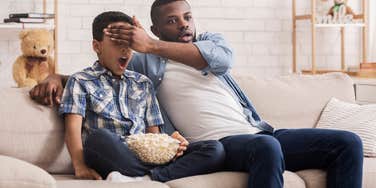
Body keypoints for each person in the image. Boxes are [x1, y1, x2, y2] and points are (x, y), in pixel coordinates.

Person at [31, 0, 363, 187]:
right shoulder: (147, 61)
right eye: (173, 21)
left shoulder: (211, 43)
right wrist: (57, 76)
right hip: (223, 144)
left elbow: (222, 60)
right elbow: (104, 71)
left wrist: (153, 43)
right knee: (264, 147)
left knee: (347, 143)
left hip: (261, 131)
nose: (185, 25)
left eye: (187, 17)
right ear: (157, 29)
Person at [58, 11, 224, 182]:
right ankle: (158, 174)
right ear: (97, 46)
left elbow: (153, 136)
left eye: (129, 43)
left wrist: (169, 145)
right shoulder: (80, 81)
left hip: (144, 156)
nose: (125, 49)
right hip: (110, 152)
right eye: (117, 43)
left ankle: (147, 178)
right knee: (99, 138)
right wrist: (80, 166)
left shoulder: (143, 83)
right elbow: (73, 130)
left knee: (214, 149)